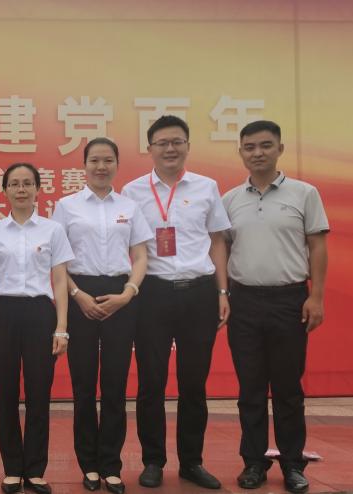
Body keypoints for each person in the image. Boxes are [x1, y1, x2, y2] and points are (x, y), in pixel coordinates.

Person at [121, 115, 231, 490]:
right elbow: (128, 245)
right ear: (150, 148)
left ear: (187, 146)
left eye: (177, 142)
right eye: (162, 143)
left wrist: (222, 292)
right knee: (151, 382)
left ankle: (192, 462)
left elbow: (217, 241)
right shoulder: (133, 191)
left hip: (199, 293)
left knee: (193, 383)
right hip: (151, 293)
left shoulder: (206, 187)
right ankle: (153, 461)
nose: (170, 148)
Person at [223, 120, 328, 494]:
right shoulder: (230, 200)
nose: (258, 153)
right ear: (241, 152)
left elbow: (317, 246)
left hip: (289, 300)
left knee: (287, 389)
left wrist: (316, 297)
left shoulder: (304, 194)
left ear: (280, 149)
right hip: (244, 302)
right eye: (249, 147)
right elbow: (222, 248)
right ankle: (253, 462)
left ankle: (292, 464)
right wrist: (223, 294)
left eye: (266, 145)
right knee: (250, 389)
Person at [52, 138, 152, 494]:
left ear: (117, 164)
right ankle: (89, 465)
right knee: (83, 387)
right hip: (79, 293)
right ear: (84, 165)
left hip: (120, 296)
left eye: (108, 160)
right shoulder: (66, 206)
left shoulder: (130, 206)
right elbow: (57, 261)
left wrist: (128, 292)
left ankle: (111, 465)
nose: (101, 167)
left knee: (115, 386)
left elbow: (141, 256)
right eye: (94, 160)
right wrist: (77, 295)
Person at [0, 162, 73, 494]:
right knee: (4, 394)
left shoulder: (52, 230)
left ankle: (34, 470)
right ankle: (11, 469)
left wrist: (62, 327)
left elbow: (59, 281)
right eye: (14, 184)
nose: (21, 189)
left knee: (38, 394)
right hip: (2, 314)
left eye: (27, 183)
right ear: (4, 190)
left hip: (40, 313)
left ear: (37, 189)